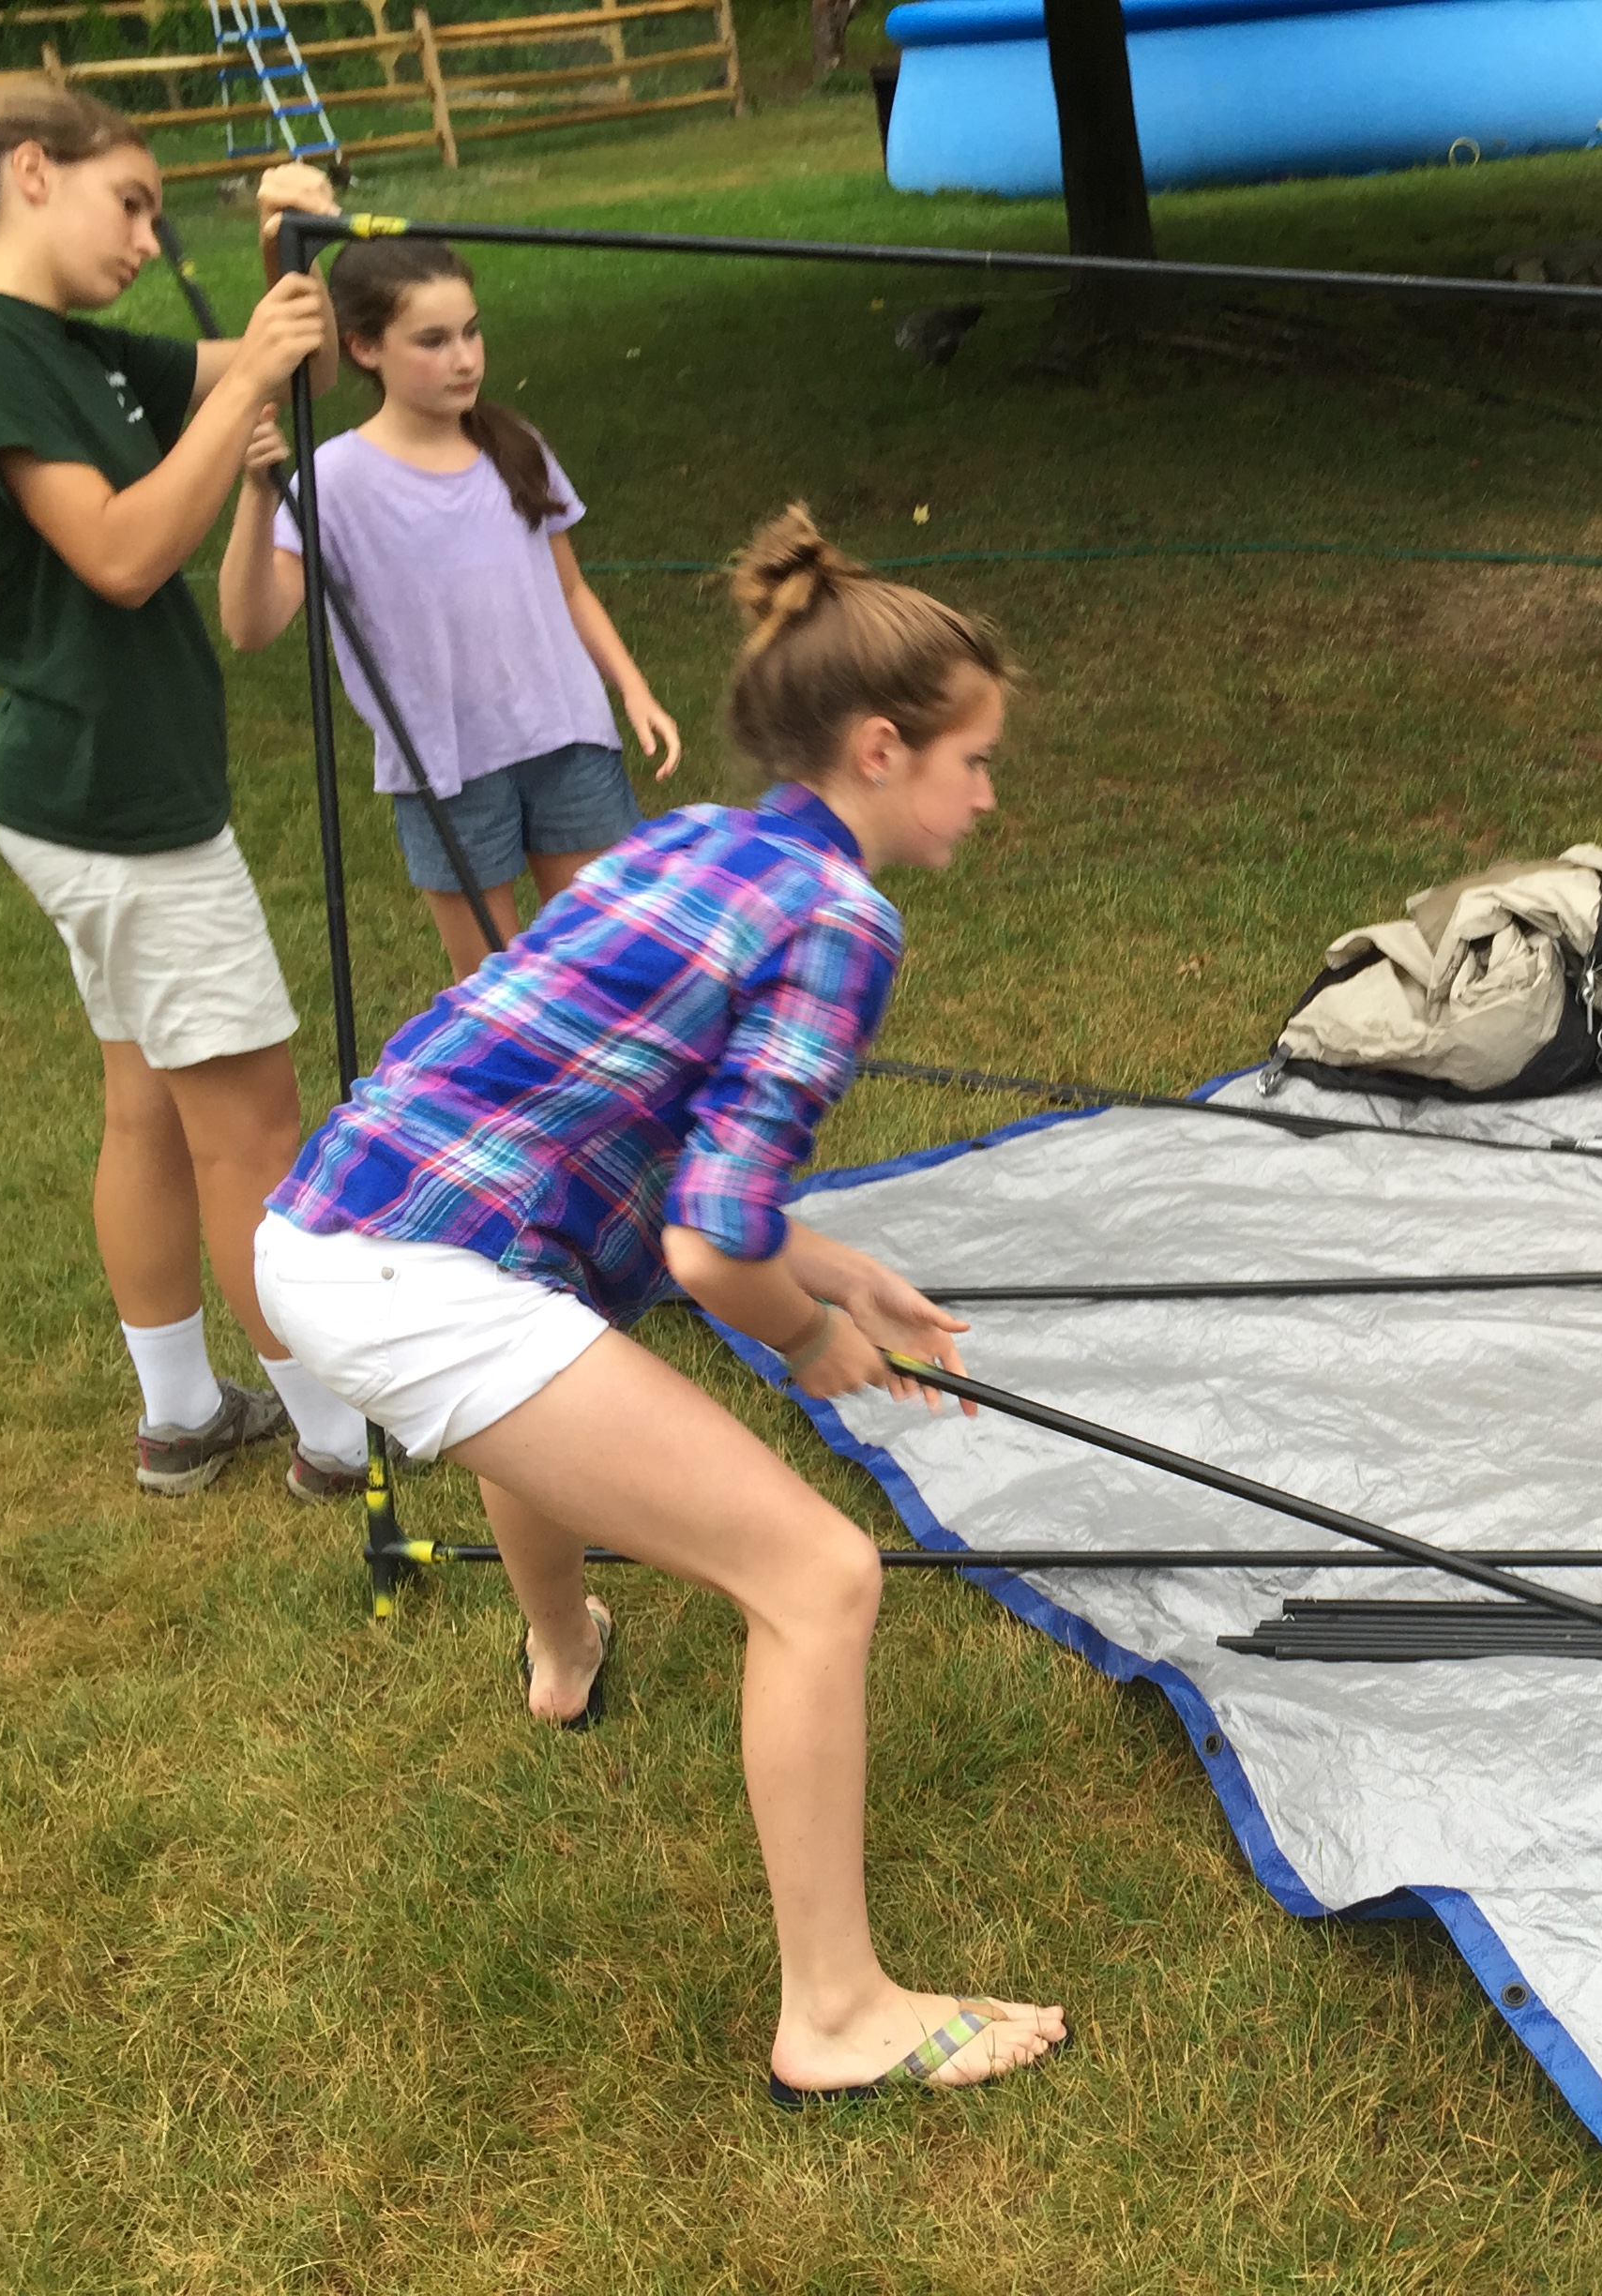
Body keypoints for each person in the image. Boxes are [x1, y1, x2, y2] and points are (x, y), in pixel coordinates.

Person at [252, 506, 1065, 2104]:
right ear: (883, 749)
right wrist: (811, 1339)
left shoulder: (691, 838)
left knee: (551, 1347)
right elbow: (707, 1246)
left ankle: (563, 1654)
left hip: (331, 1223)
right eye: (974, 760)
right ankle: (835, 2014)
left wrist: (826, 1261)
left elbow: (679, 1153)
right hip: (431, 1277)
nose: (986, 793)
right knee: (820, 1575)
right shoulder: (841, 920)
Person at [0, 86, 377, 1496]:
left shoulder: (72, 345)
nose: (150, 237)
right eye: (131, 202)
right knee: (251, 1127)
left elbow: (274, 367)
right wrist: (254, 380)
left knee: (147, 1103)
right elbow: (124, 553)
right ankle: (337, 1438)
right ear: (34, 171)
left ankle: (185, 1414)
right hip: (120, 806)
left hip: (90, 788)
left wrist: (288, 253)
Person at [217, 234, 680, 980]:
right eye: (433, 341)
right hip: (445, 769)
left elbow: (570, 589)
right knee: (497, 991)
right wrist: (255, 493)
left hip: (566, 738)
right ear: (364, 347)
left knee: (613, 967)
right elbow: (250, 625)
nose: (464, 359)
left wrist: (633, 687)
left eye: (471, 332)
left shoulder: (514, 443)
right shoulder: (336, 480)